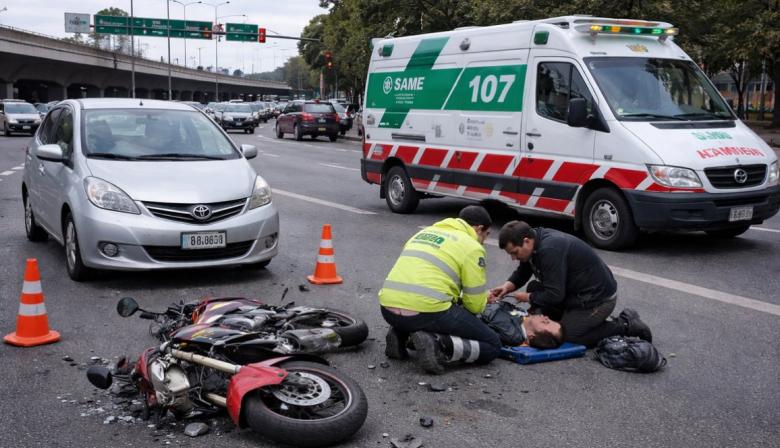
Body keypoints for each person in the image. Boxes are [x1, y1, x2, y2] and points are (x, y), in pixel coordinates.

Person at [378, 205, 501, 374]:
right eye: (486, 235)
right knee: (493, 345)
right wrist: (483, 299)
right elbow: (474, 306)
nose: (484, 241)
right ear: (479, 229)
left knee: (429, 307)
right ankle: (437, 343)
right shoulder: (472, 246)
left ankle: (400, 334)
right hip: (424, 312)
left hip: (388, 309)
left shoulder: (423, 233)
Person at [489, 221, 652, 347]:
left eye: (514, 253)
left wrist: (527, 297)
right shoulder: (535, 242)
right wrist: (507, 287)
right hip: (574, 294)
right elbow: (524, 270)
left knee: (569, 335)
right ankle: (571, 318)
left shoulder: (550, 249)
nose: (513, 258)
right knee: (535, 289)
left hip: (597, 300)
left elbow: (555, 295)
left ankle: (625, 324)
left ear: (526, 241)